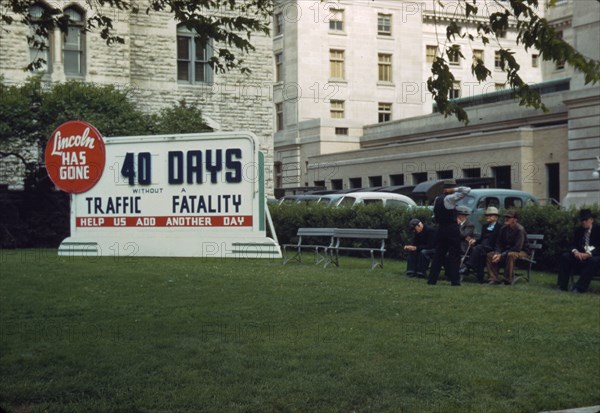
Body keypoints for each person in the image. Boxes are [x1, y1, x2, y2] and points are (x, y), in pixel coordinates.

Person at [427, 180, 471, 286]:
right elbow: (467, 190)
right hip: (451, 229)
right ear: (450, 189)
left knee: (438, 255)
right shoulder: (450, 198)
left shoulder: (437, 199)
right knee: (454, 255)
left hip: (441, 228)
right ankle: (454, 280)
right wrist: (455, 189)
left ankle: (432, 280)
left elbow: (434, 216)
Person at [557, 209, 600, 293]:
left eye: (586, 220)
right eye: (582, 220)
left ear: (591, 220)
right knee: (565, 256)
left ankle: (579, 288)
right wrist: (575, 252)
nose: (584, 222)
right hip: (580, 256)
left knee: (594, 260)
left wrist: (589, 254)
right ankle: (562, 286)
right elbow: (572, 244)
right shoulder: (578, 230)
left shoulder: (598, 230)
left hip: (594, 256)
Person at [486, 210, 529, 285]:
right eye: (505, 217)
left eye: (509, 217)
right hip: (507, 251)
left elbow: (517, 247)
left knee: (511, 255)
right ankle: (493, 278)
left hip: (522, 251)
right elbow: (498, 243)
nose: (506, 219)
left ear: (515, 219)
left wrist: (502, 255)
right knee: (490, 255)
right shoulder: (503, 228)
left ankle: (507, 279)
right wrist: (497, 253)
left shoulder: (520, 229)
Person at [461, 206, 502, 283]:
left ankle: (468, 266)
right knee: (479, 252)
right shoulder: (485, 226)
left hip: (492, 247)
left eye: (490, 215)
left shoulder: (500, 227)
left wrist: (497, 252)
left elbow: (499, 241)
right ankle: (480, 277)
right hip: (483, 248)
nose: (487, 217)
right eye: (487, 215)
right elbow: (481, 239)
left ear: (496, 217)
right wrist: (474, 240)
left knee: (479, 249)